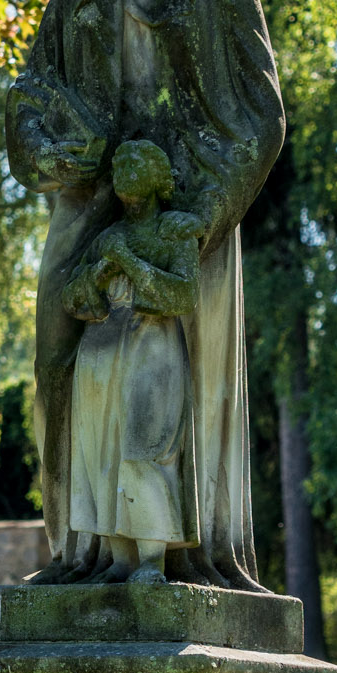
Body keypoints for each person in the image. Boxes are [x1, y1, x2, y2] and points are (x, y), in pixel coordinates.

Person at [5, 0, 285, 587]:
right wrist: (43, 148)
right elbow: (32, 91)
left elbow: (261, 117)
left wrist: (207, 208)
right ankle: (79, 549)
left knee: (177, 377)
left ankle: (180, 552)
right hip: (90, 198)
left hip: (188, 205)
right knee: (59, 360)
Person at [62, 139, 203, 583]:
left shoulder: (173, 231)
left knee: (145, 448)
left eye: (135, 162)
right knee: (101, 455)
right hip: (100, 351)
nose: (123, 169)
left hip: (152, 347)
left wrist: (128, 262)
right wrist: (98, 274)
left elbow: (183, 295)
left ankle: (152, 560)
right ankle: (121, 560)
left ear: (159, 177)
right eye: (119, 163)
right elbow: (72, 297)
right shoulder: (107, 237)